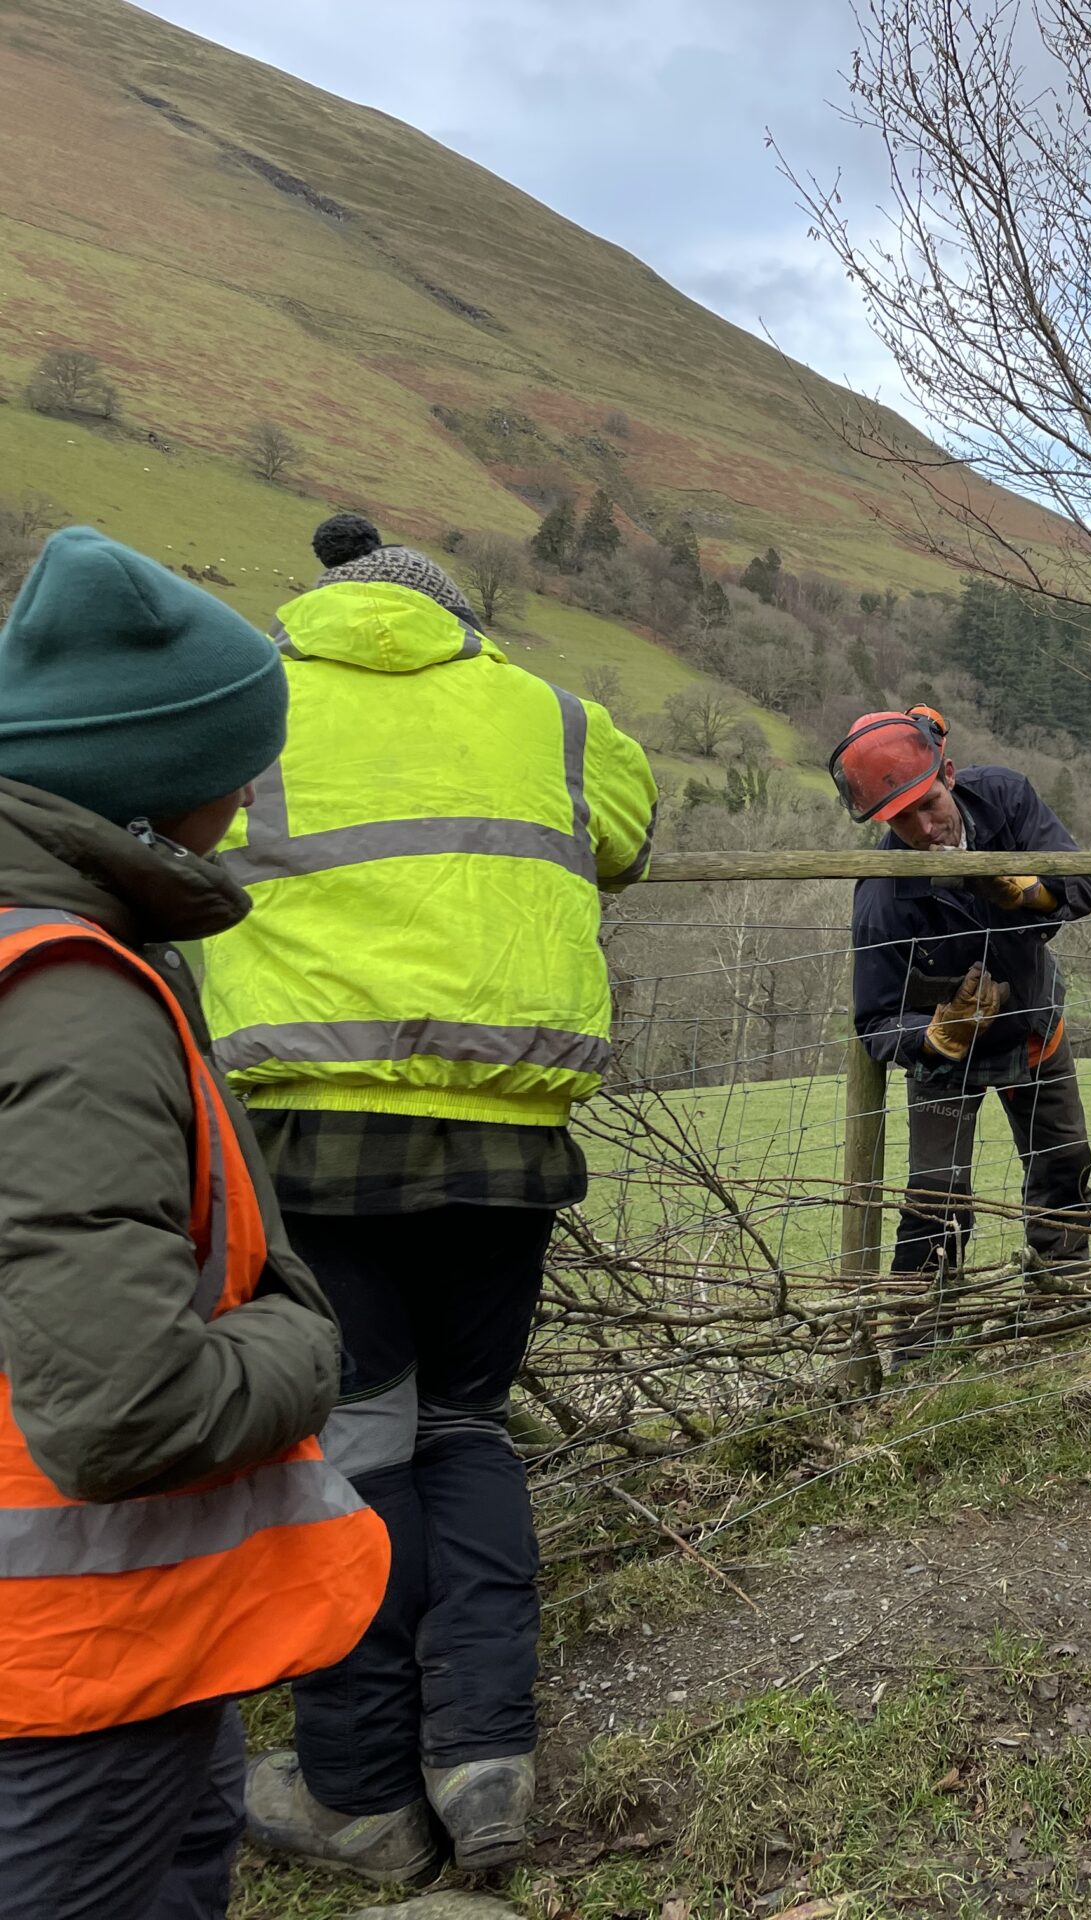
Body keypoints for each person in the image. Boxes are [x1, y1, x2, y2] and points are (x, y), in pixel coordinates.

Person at [203, 513, 658, 1883]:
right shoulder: (560, 718)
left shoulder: (242, 704)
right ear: (462, 617)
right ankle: (482, 1759)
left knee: (355, 1439)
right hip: (509, 1136)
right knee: (468, 1423)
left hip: (309, 1138)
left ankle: (354, 1785)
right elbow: (623, 842)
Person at [0, 528, 388, 1919]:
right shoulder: (72, 1000)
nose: (256, 788)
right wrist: (303, 1342)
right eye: (246, 758)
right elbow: (123, 1407)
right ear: (167, 781)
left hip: (123, 1651)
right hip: (74, 1666)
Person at [837, 707, 1091, 1331]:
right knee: (936, 1198)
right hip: (944, 1064)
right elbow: (874, 1021)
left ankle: (1057, 1310)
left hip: (1035, 1029)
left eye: (928, 805)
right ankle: (920, 1343)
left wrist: (1030, 891)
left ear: (948, 774)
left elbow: (1084, 883)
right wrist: (933, 1036)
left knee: (1063, 1166)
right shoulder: (882, 895)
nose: (924, 829)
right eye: (900, 820)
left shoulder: (1005, 798)